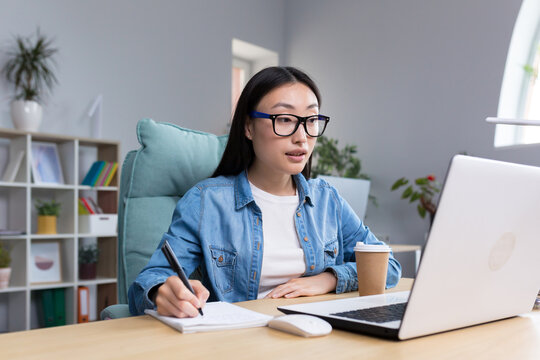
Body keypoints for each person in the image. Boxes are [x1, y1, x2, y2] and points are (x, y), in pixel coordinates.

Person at [128, 66, 401, 317]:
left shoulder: (327, 199)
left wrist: (328, 279)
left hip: (318, 335)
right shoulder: (206, 202)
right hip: (242, 340)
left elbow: (388, 266)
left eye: (312, 119)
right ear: (248, 127)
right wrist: (163, 292)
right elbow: (148, 282)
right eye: (284, 119)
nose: (302, 136)